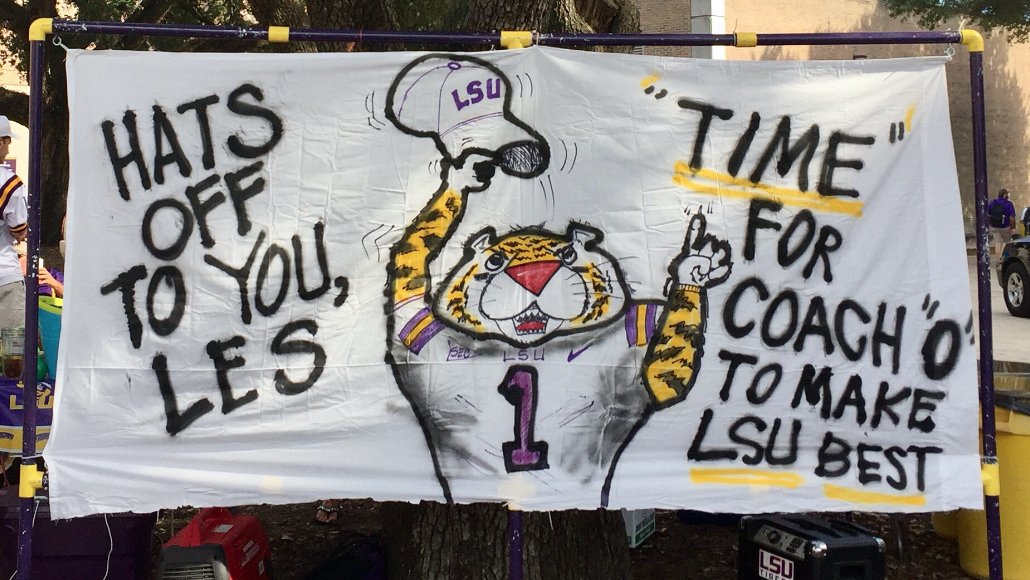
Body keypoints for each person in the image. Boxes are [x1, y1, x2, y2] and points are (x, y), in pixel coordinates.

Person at [0, 115, 27, 330]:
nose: (8, 149)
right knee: (13, 344)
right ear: (1, 141)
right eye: (8, 142)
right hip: (4, 273)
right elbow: (19, 230)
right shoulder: (10, 183)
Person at [988, 188, 1016, 259]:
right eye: (1007, 194)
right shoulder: (1009, 204)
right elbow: (1012, 218)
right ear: (1004, 195)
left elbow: (988, 214)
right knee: (1006, 242)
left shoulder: (992, 202)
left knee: (998, 242)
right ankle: (1002, 258)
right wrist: (1013, 228)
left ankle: (998, 259)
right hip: (1005, 227)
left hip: (994, 226)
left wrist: (990, 223)